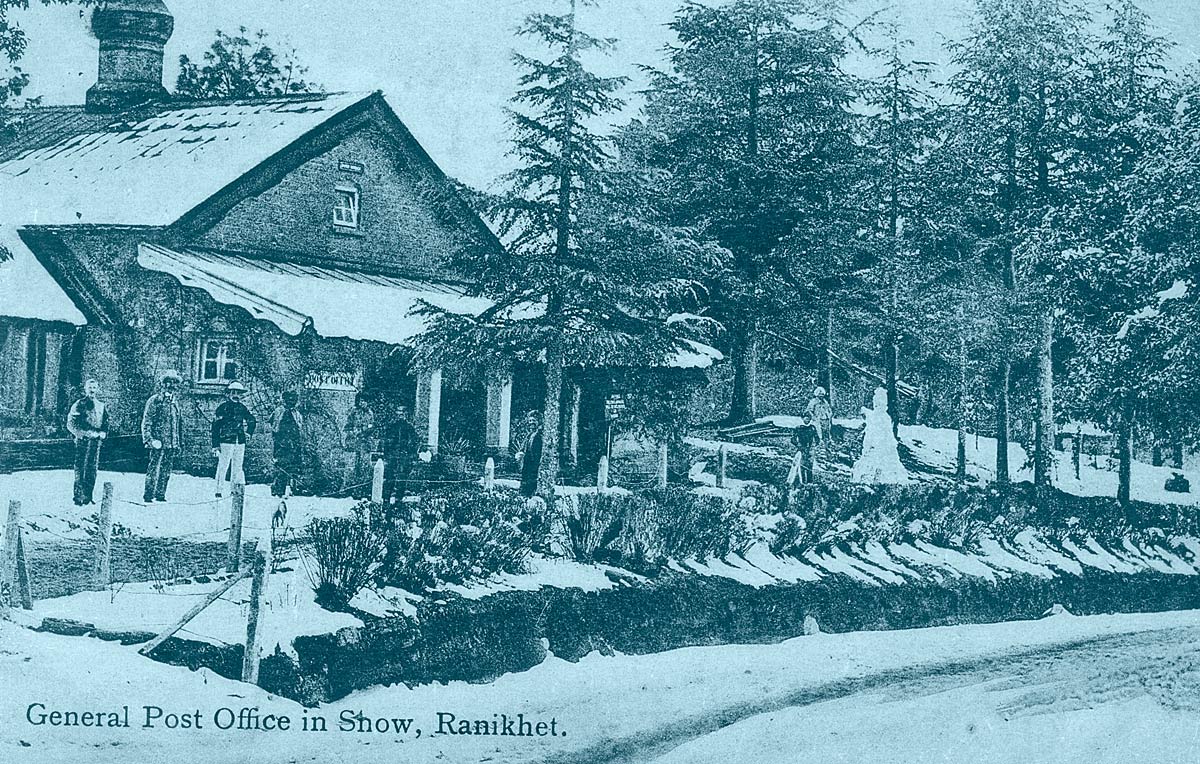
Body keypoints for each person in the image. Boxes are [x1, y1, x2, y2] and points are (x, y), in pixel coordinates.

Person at [141, 371, 184, 503]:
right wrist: (150, 440)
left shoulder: (175, 403)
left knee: (166, 470)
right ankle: (148, 495)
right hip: (158, 442)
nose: (171, 385)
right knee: (154, 468)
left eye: (174, 383)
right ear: (163, 384)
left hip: (171, 443)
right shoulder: (155, 401)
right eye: (168, 382)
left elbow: (178, 424)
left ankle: (160, 494)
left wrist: (179, 443)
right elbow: (147, 421)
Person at [66, 378, 110, 505]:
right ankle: (79, 497)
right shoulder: (79, 404)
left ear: (98, 389)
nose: (92, 390)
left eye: (94, 388)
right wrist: (83, 434)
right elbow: (71, 423)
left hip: (96, 442)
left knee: (92, 468)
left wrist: (103, 433)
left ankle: (88, 496)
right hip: (83, 441)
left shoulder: (101, 405)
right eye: (90, 388)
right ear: (85, 389)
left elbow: (106, 422)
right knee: (81, 468)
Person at [212, 381, 257, 498]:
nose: (235, 395)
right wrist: (215, 445)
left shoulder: (242, 408)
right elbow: (215, 427)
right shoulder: (222, 408)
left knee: (237, 466)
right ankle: (218, 490)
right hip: (226, 441)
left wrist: (248, 433)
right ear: (228, 394)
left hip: (240, 441)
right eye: (233, 392)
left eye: (238, 393)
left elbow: (252, 420)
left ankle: (234, 489)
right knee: (223, 465)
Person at [380, 405, 419, 508]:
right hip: (392, 457)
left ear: (405, 415)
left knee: (402, 480)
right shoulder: (391, 427)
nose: (399, 416)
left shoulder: (409, 428)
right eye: (397, 414)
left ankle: (398, 501)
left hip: (404, 457)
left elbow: (414, 443)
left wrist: (411, 456)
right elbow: (386, 443)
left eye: (401, 414)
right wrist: (386, 455)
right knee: (389, 479)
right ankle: (386, 500)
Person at [271, 391, 305, 497]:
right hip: (282, 443)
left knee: (295, 466)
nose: (292, 403)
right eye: (289, 400)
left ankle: (294, 488)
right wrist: (280, 441)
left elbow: (300, 427)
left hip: (294, 443)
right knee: (282, 466)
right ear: (285, 400)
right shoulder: (279, 411)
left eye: (294, 400)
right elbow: (274, 427)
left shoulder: (296, 413)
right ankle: (278, 490)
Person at [342, 393, 376, 495]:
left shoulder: (370, 413)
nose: (363, 403)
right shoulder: (354, 412)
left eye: (365, 401)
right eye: (361, 401)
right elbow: (347, 426)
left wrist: (365, 432)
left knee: (365, 466)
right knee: (351, 467)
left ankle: (362, 490)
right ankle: (348, 489)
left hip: (365, 444)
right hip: (354, 443)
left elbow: (371, 427)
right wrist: (353, 433)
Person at [788, 414, 819, 485]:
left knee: (810, 466)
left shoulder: (812, 428)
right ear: (802, 419)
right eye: (806, 419)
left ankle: (810, 482)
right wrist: (798, 445)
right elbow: (793, 439)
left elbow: (817, 439)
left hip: (810, 450)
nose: (807, 420)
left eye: (809, 419)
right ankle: (803, 482)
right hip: (801, 449)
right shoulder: (798, 428)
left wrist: (813, 446)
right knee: (802, 465)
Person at [519, 413, 543, 498]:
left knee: (532, 483)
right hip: (527, 463)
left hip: (535, 463)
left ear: (538, 422)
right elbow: (524, 447)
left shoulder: (540, 435)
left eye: (533, 420)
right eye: (529, 421)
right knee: (525, 482)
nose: (531, 423)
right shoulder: (529, 435)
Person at [805, 386, 834, 457]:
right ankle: (818, 451)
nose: (821, 396)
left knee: (826, 435)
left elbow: (829, 410)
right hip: (818, 420)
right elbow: (809, 410)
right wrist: (813, 417)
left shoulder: (825, 402)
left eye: (822, 394)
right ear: (817, 394)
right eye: (820, 394)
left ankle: (827, 450)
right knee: (818, 434)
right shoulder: (813, 401)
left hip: (825, 419)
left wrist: (829, 415)